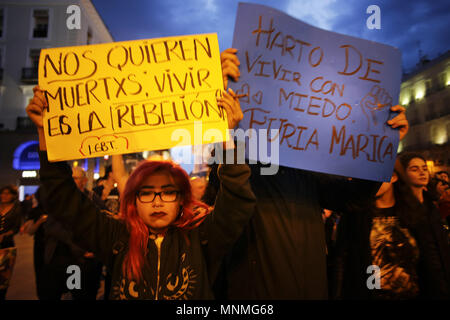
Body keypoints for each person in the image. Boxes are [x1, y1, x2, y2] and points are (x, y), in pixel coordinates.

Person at [26, 82, 256, 299]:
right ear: (133, 199)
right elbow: (63, 198)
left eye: (167, 192)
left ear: (181, 200)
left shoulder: (201, 237)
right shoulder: (115, 236)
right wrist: (46, 135)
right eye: (146, 192)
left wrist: (227, 135)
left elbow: (237, 200)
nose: (157, 202)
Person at [213, 48, 410, 299]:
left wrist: (383, 146)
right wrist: (220, 117)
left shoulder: (309, 166)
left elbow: (353, 198)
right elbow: (219, 191)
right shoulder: (236, 160)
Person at [333, 154, 450, 299]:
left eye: (375, 176)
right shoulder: (355, 216)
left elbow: (432, 260)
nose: (371, 183)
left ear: (393, 177)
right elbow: (342, 263)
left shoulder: (415, 213)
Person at [0, 185, 22, 300]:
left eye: (7, 193)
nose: (4, 196)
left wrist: (4, 235)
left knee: (3, 277)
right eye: (2, 193)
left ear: (13, 196)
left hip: (7, 246)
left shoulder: (16, 208)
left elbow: (17, 228)